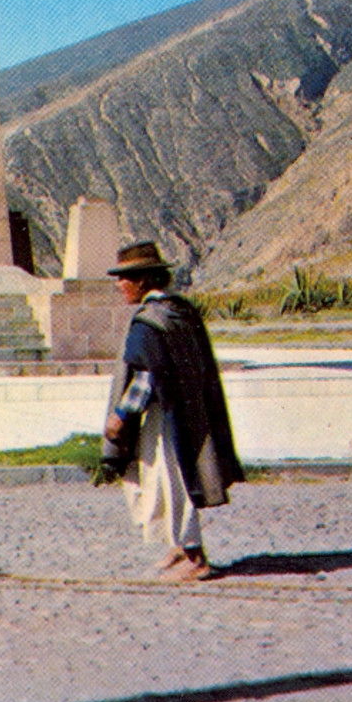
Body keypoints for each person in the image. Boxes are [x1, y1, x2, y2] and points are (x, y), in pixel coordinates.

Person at [96, 241, 244, 582]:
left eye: (125, 278)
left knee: (174, 481)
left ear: (144, 280)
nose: (120, 285)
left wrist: (121, 415)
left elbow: (148, 375)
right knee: (160, 479)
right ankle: (178, 544)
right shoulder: (180, 311)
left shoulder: (151, 321)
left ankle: (195, 557)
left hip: (170, 418)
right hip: (184, 413)